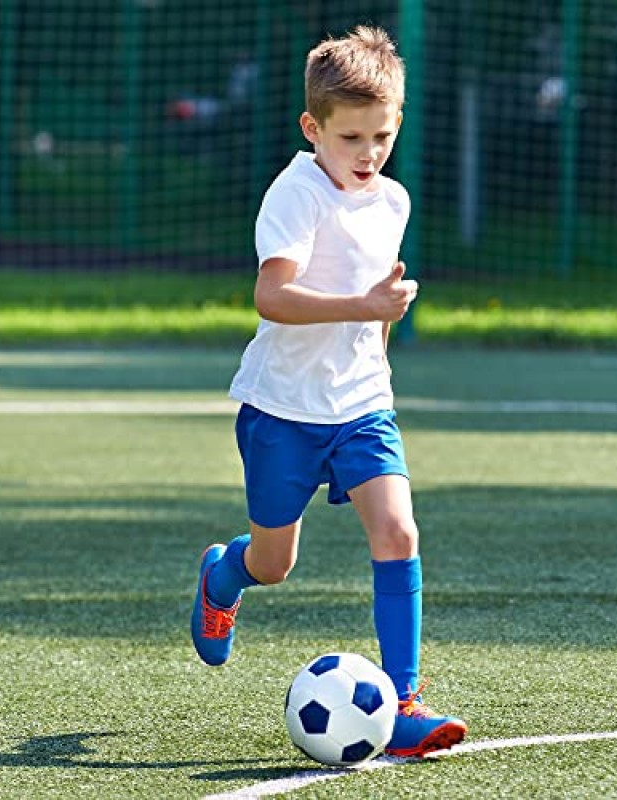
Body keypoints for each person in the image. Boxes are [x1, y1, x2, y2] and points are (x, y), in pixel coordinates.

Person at [191, 25, 468, 758]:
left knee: (399, 532)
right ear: (313, 129)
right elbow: (271, 297)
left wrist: (376, 364)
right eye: (351, 139)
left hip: (361, 409)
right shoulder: (295, 195)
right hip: (282, 411)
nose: (369, 154)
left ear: (399, 122)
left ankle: (404, 704)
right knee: (274, 565)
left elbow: (372, 302)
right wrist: (367, 311)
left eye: (382, 135)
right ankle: (222, 578)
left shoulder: (394, 201)